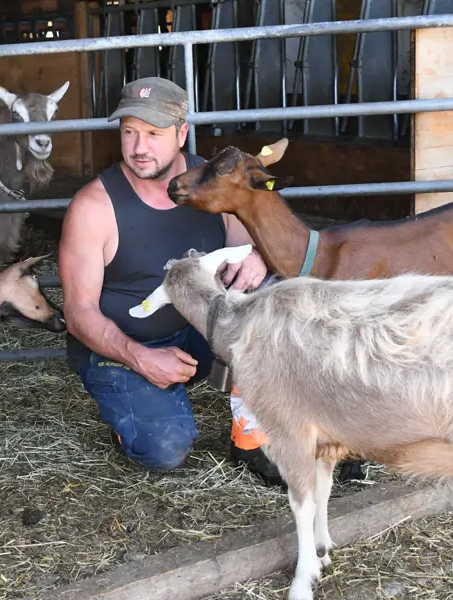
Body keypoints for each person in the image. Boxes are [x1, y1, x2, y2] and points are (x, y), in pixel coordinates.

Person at [57, 76, 284, 485]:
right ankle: (133, 413)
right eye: (129, 132)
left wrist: (254, 256)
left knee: (271, 295)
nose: (138, 147)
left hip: (200, 330)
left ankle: (249, 436)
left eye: (153, 134)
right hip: (126, 346)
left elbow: (246, 239)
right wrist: (140, 357)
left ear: (181, 134)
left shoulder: (215, 181)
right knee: (165, 449)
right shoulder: (93, 207)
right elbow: (78, 312)